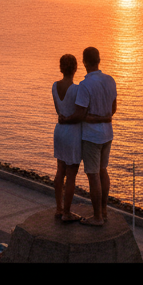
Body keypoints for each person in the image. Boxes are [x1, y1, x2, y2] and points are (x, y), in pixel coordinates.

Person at [61, 46, 117, 226]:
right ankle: (104, 210)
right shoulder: (110, 80)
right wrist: (103, 117)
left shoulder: (85, 85)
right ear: (99, 60)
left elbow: (79, 114)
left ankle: (98, 217)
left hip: (92, 137)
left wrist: (66, 119)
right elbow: (113, 109)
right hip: (108, 133)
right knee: (103, 171)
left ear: (84, 62)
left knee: (93, 175)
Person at [51, 54, 83, 222]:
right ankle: (67, 213)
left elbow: (59, 110)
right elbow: (79, 114)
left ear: (61, 68)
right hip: (72, 133)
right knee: (71, 174)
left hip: (60, 130)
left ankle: (58, 208)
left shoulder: (54, 86)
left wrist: (63, 117)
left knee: (60, 171)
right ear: (75, 68)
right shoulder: (77, 90)